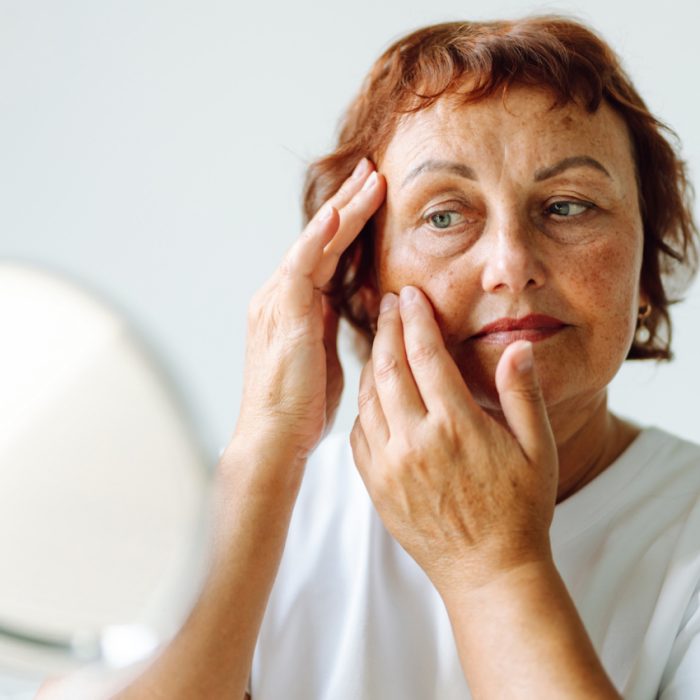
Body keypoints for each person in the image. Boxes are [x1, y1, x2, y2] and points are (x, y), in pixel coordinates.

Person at [37, 14, 700, 700]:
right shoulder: (254, 514)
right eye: (445, 215)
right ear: (359, 281)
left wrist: (492, 566)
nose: (511, 264)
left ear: (646, 272)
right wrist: (266, 450)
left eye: (568, 206)